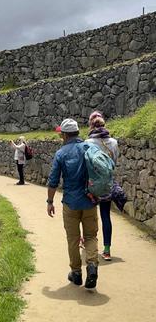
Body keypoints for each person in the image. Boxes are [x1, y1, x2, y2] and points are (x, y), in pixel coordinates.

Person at [47, 118, 99, 289]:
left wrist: (50, 201)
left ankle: (76, 273)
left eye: (61, 133)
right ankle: (92, 266)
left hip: (70, 202)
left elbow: (53, 180)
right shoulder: (90, 147)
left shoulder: (61, 153)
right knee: (91, 236)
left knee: (73, 239)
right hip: (90, 201)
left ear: (65, 135)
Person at [86, 111, 119, 261]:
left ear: (91, 126)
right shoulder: (113, 142)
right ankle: (107, 250)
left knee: (87, 216)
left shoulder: (88, 143)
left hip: (92, 185)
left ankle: (87, 243)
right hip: (107, 185)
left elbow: (86, 165)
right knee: (106, 216)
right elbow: (114, 163)